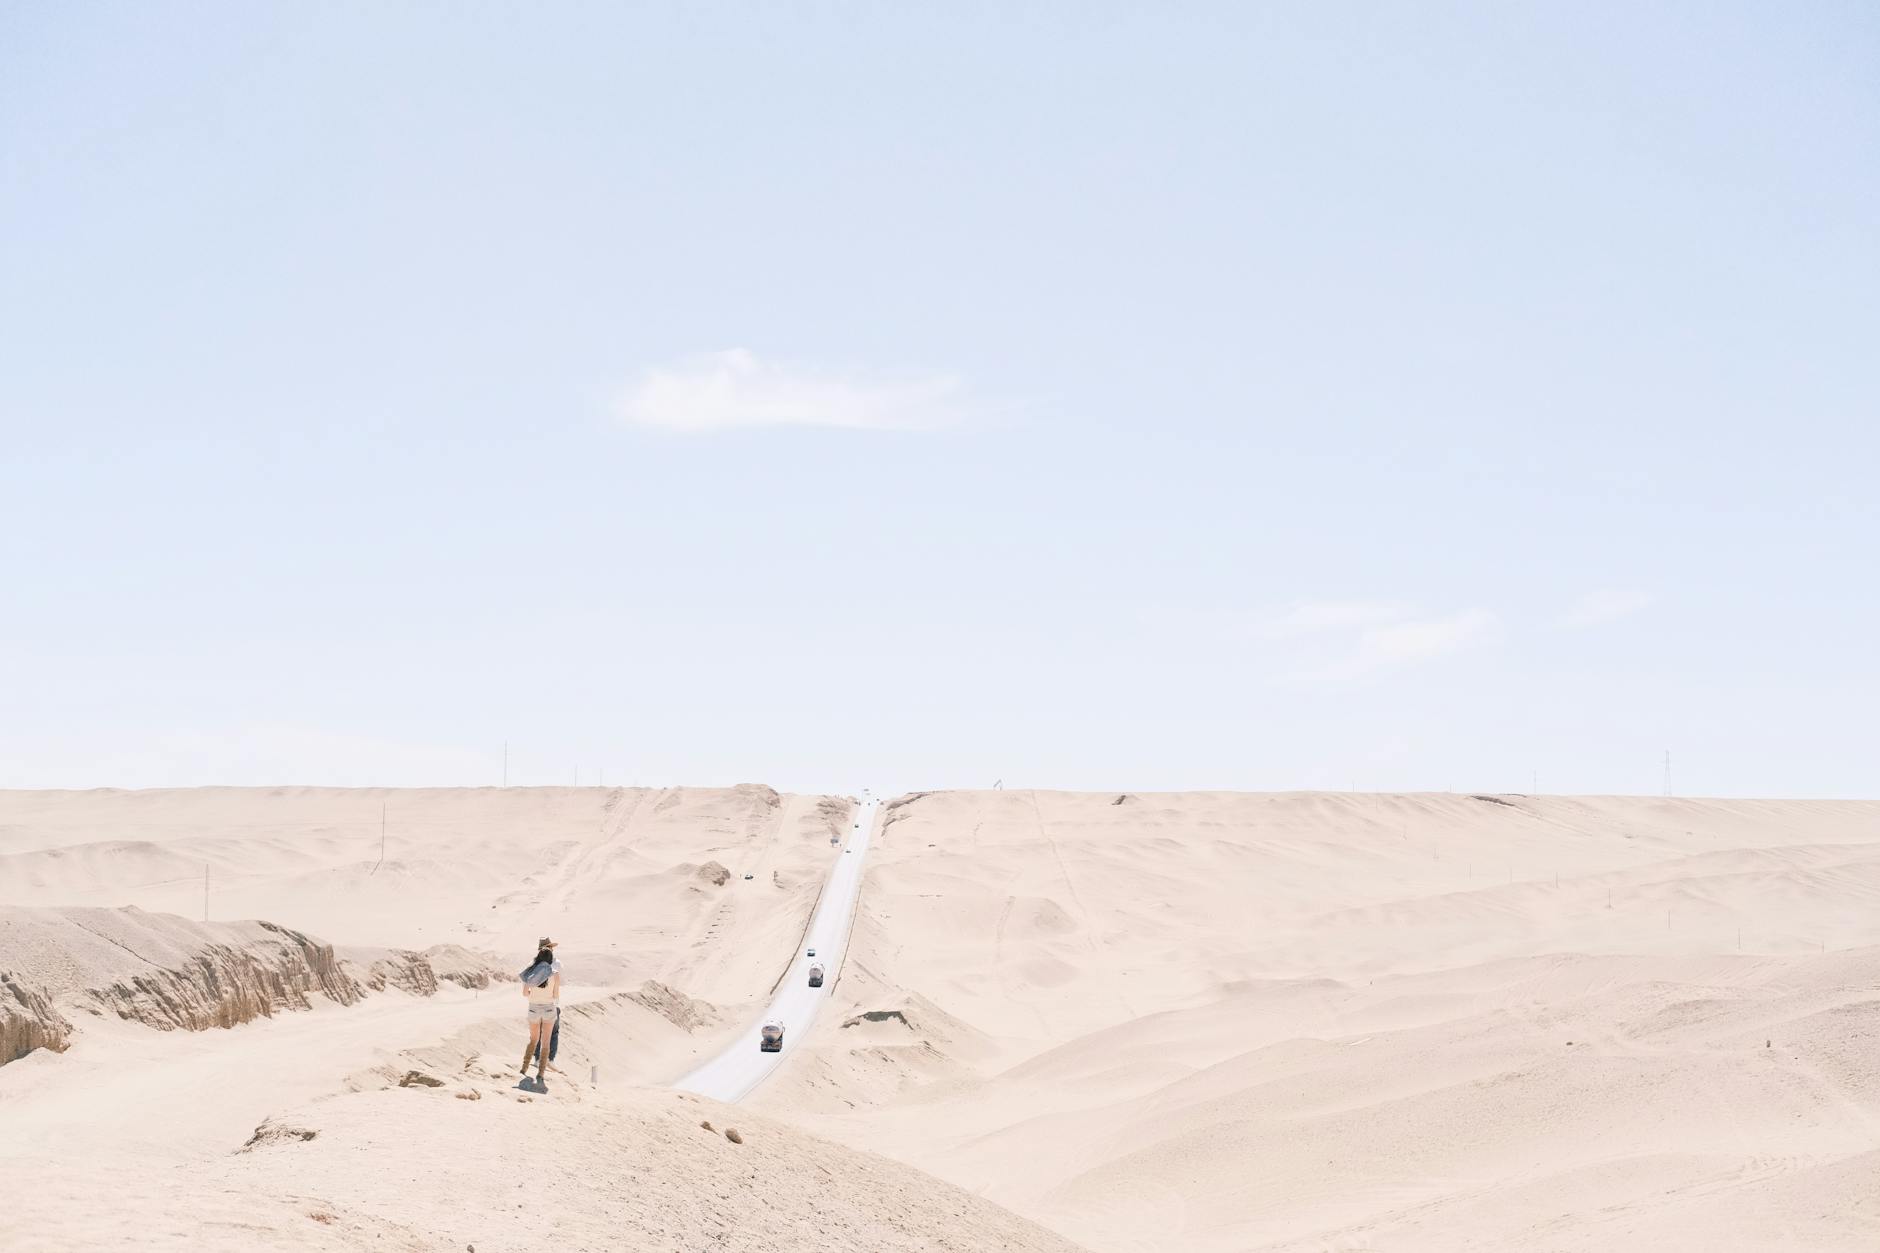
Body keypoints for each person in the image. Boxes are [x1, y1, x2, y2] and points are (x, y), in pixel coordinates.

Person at [518, 937, 561, 1086]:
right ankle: (541, 1073)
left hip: (533, 1008)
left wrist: (534, 997)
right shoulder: (555, 974)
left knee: (533, 1040)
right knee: (546, 1043)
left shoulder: (530, 973)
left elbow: (524, 993)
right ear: (550, 959)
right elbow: (556, 996)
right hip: (549, 1008)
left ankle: (524, 1067)